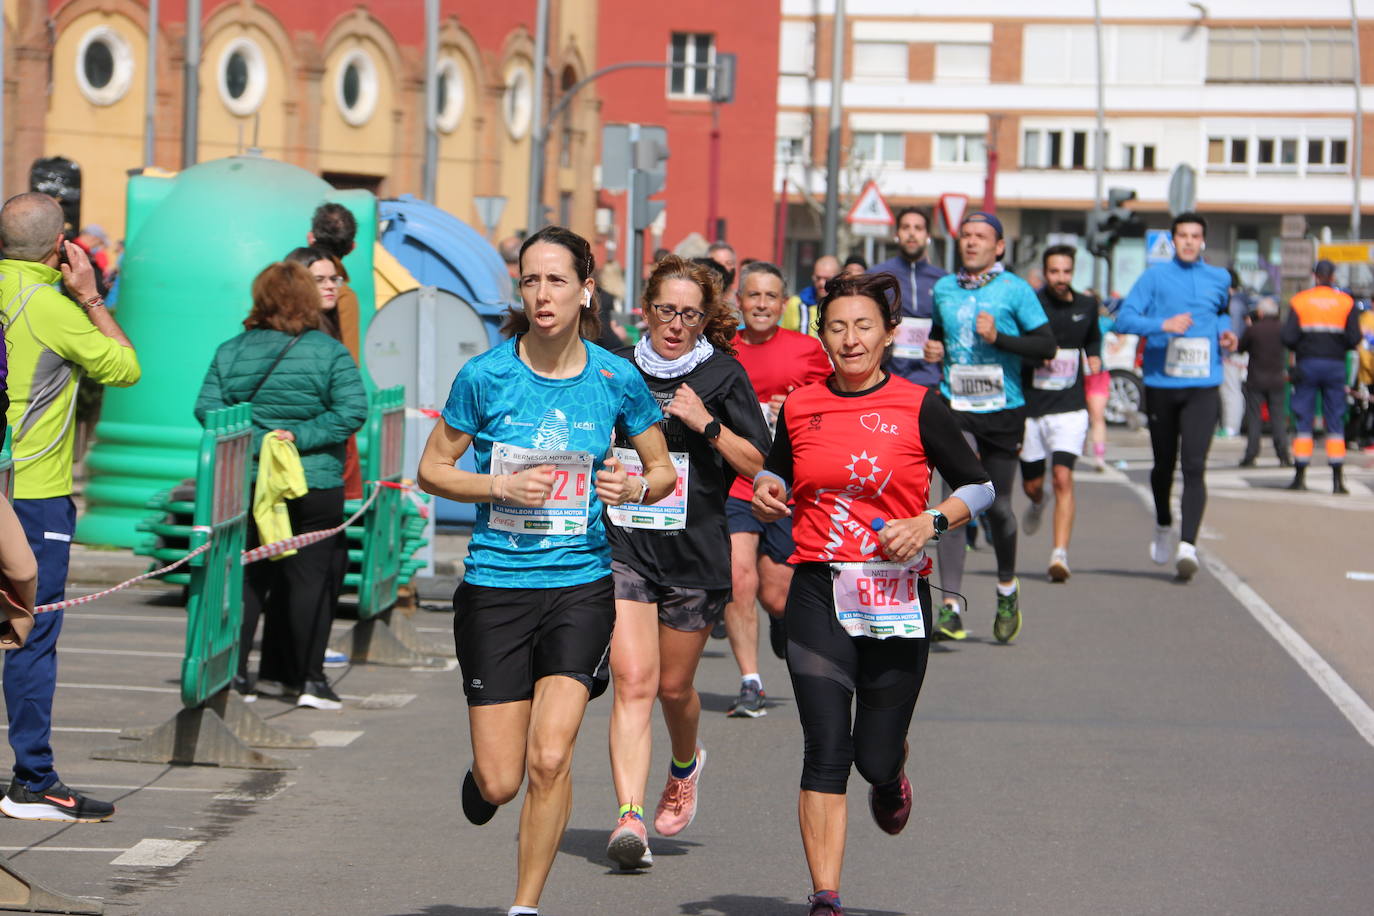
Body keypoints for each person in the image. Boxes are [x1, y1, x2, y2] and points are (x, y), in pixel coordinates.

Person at [416, 226, 674, 916]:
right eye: (530, 280)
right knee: (503, 781)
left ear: (586, 290)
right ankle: (483, 780)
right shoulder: (486, 376)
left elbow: (662, 471)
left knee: (551, 758)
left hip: (579, 586)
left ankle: (524, 907)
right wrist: (499, 488)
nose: (542, 293)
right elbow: (431, 469)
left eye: (556, 279)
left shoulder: (615, 378)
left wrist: (632, 488)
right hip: (497, 588)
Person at [752, 272, 993, 916]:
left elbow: (980, 485)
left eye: (864, 326)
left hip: (895, 597)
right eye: (837, 327)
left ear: (888, 335)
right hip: (819, 589)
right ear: (821, 335)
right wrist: (769, 487)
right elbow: (780, 468)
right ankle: (826, 896)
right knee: (826, 747)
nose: (850, 339)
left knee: (872, 755)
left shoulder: (919, 404)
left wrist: (930, 523)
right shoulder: (801, 405)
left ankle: (889, 777)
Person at [603, 255, 771, 870]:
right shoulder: (615, 368)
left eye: (690, 314)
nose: (676, 324)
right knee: (635, 683)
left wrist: (705, 424)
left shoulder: (723, 376)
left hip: (695, 552)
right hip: (625, 545)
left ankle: (684, 763)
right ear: (645, 309)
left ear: (706, 319)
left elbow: (760, 464)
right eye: (666, 310)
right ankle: (629, 817)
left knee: (674, 687)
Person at [0, 191, 140, 822]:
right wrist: (89, 295)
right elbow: (126, 368)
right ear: (62, 247)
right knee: (30, 635)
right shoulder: (52, 308)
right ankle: (34, 780)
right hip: (30, 496)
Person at [197, 261, 366, 709]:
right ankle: (306, 679)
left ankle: (235, 675)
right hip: (314, 480)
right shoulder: (329, 352)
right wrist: (299, 438)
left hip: (250, 482)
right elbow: (352, 409)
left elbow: (209, 411)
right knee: (309, 578)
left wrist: (259, 441)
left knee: (250, 576)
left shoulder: (231, 350)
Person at [922, 211, 1055, 642]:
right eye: (966, 235)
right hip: (954, 406)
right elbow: (940, 334)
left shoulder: (1015, 290)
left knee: (997, 508)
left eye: (981, 236)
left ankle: (1006, 588)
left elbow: (1046, 346)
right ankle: (950, 608)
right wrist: (934, 348)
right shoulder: (944, 288)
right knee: (955, 504)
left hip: (1003, 409)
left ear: (999, 246)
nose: (972, 242)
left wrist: (1001, 339)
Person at [720, 262, 832, 719]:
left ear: (783, 303)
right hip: (734, 482)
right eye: (753, 296)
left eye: (771, 296)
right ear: (740, 302)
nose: (762, 305)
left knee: (776, 595)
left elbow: (834, 402)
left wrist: (800, 407)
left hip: (787, 484)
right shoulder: (722, 351)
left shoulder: (808, 350)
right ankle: (751, 681)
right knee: (738, 579)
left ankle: (781, 623)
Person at [1113, 212, 1234, 580]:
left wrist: (1229, 335)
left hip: (1203, 384)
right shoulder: (1154, 277)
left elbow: (1223, 314)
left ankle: (1188, 545)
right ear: (1173, 240)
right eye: (1182, 235)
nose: (1188, 241)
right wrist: (1161, 325)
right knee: (1164, 464)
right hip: (1162, 385)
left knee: (1194, 465)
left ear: (1203, 241)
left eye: (1195, 236)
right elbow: (1123, 320)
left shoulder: (1219, 277)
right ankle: (1164, 523)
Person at [1019, 245, 1102, 582]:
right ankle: (1038, 502)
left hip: (1070, 408)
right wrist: (1035, 358)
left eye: (1066, 272)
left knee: (1063, 477)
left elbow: (1093, 339)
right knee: (1033, 484)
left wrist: (1094, 356)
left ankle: (1059, 555)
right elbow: (1016, 345)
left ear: (1073, 272)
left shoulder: (1086, 305)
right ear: (1045, 272)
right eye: (1054, 272)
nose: (1061, 279)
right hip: (1033, 408)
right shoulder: (1031, 304)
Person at [1282, 260, 1361, 493]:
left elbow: (1287, 337)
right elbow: (1354, 337)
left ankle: (1299, 476)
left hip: (1307, 363)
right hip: (1335, 365)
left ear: (1314, 276)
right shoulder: (1346, 303)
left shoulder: (1300, 301)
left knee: (1303, 419)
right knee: (1335, 420)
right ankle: (1337, 480)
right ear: (1333, 277)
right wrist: (1337, 345)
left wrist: (1305, 344)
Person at [871, 206, 945, 390]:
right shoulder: (876, 276)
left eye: (918, 228)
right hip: (887, 379)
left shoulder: (944, 281)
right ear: (897, 234)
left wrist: (944, 349)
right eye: (906, 227)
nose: (912, 233)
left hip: (932, 381)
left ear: (928, 235)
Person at [1238, 297, 1292, 468]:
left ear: (1260, 313)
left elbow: (1240, 348)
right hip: (1277, 379)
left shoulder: (1254, 330)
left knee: (1254, 418)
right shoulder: (1282, 329)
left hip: (1256, 379)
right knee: (1278, 418)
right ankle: (1283, 455)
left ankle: (1251, 455)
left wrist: (1249, 325)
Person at [306, 203, 360, 360]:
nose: (328, 286)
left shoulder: (279, 283)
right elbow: (349, 363)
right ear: (351, 247)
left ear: (310, 238)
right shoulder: (342, 294)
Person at [1219, 269, 1250, 438]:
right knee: (1235, 390)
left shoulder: (1233, 303)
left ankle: (1231, 427)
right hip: (1240, 353)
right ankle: (1231, 425)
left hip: (1231, 354)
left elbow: (1234, 329)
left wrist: (1229, 347)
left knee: (1230, 390)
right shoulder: (1243, 300)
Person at [1083, 305, 1114, 470]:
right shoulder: (1073, 320)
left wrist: (1118, 345)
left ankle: (1099, 456)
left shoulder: (1103, 322)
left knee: (1097, 416)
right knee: (1079, 416)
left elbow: (1122, 328)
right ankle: (1077, 449)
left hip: (1098, 375)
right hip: (1076, 375)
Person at [783, 254, 840, 337]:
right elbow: (784, 338)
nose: (821, 283)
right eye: (818, 278)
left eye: (827, 279)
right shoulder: (796, 303)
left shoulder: (847, 305)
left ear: (838, 278)